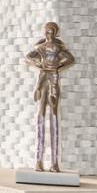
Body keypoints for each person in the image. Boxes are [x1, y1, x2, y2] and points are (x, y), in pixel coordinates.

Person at [25, 21, 76, 173]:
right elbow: (28, 57)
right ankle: (39, 161)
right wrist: (40, 65)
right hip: (43, 79)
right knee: (40, 116)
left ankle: (54, 163)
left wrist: (57, 67)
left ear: (56, 32)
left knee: (53, 117)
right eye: (47, 31)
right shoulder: (39, 47)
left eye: (52, 31)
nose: (49, 34)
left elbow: (70, 59)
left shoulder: (59, 47)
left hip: (53, 79)